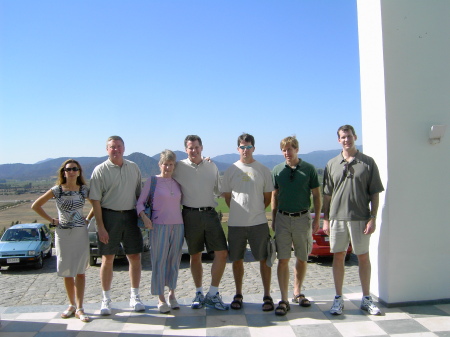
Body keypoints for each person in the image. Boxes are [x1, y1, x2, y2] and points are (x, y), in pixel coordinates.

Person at [322, 125, 384, 316]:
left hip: (361, 217)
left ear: (355, 137)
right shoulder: (331, 164)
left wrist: (372, 218)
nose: (346, 139)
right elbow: (327, 195)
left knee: (363, 257)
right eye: (343, 137)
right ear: (338, 140)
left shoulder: (367, 162)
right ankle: (338, 299)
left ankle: (366, 299)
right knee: (338, 256)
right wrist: (326, 220)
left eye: (349, 136)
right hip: (337, 218)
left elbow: (374, 193)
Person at [32, 159, 94, 322]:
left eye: (75, 169)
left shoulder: (84, 190)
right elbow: (36, 205)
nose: (72, 171)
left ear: (79, 172)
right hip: (63, 235)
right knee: (67, 270)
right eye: (68, 169)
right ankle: (71, 305)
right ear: (64, 172)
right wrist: (52, 220)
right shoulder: (56, 190)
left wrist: (87, 219)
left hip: (80, 233)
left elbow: (97, 205)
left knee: (80, 271)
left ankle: (80, 308)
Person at [172, 135, 229, 311]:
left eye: (197, 147)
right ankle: (198, 293)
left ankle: (213, 293)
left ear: (202, 148)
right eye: (190, 148)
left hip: (210, 214)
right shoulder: (178, 167)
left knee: (222, 253)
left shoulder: (211, 165)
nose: (194, 150)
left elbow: (220, 190)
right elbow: (165, 177)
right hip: (189, 215)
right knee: (194, 255)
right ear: (186, 149)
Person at [89, 136, 144, 315]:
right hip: (108, 216)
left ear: (124, 148)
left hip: (130, 216)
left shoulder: (133, 167)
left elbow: (139, 196)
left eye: (119, 146)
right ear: (107, 150)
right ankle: (106, 300)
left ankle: (135, 296)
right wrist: (100, 226)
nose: (116, 150)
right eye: (112, 147)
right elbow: (95, 201)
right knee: (107, 258)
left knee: (135, 257)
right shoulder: (100, 170)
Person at [221, 133, 275, 311]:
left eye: (248, 147)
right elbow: (228, 198)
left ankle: (267, 295)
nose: (245, 150)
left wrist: (254, 210)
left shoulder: (263, 170)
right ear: (238, 149)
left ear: (254, 148)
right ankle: (238, 294)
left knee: (264, 259)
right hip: (236, 224)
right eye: (242, 147)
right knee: (237, 260)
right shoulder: (231, 171)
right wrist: (240, 212)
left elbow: (267, 198)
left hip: (258, 223)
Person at [271, 136, 321, 316]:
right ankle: (283, 299)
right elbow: (274, 196)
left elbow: (316, 195)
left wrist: (316, 220)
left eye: (290, 148)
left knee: (302, 257)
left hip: (302, 218)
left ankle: (297, 292)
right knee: (283, 259)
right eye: (284, 149)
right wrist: (274, 219)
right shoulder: (277, 170)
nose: (287, 152)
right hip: (283, 219)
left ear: (297, 149)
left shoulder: (309, 169)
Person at [136, 150, 184, 314]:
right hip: (158, 226)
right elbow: (140, 203)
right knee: (159, 261)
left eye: (171, 164)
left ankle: (172, 294)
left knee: (174, 261)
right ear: (160, 164)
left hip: (178, 226)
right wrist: (145, 218)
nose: (168, 167)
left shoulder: (177, 183)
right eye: (165, 164)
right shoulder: (152, 181)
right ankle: (161, 297)